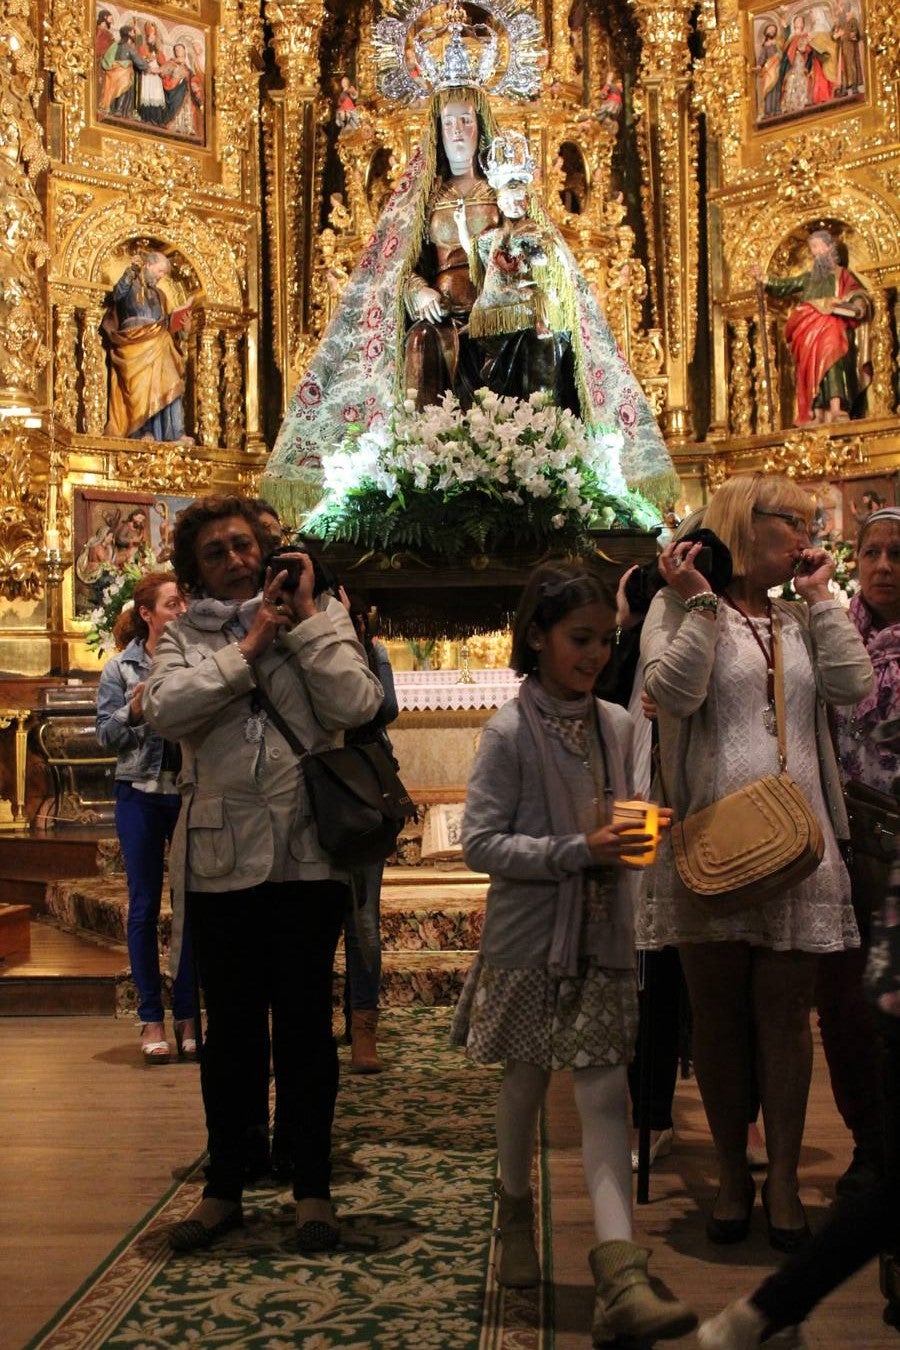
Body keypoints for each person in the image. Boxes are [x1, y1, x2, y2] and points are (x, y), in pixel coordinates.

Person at [452, 561, 697, 1345]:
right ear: (537, 638)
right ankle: (514, 1213)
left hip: (602, 935)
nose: (594, 655)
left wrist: (644, 831)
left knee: (603, 1097)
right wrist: (575, 848)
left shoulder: (618, 724)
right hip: (528, 939)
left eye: (605, 641)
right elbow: (482, 845)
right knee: (524, 1085)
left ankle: (620, 1274)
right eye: (579, 639)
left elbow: (626, 835)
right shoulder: (506, 731)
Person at [637, 473, 872, 1253]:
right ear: (747, 523)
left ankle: (779, 1182)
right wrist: (702, 605)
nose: (808, 537)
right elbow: (670, 694)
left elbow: (852, 686)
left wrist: (826, 599)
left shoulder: (803, 614)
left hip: (801, 840)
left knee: (784, 1017)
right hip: (714, 836)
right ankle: (733, 1172)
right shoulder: (678, 604)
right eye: (794, 523)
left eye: (811, 524)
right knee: (720, 1018)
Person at [143, 495, 383, 1252]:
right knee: (233, 1034)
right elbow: (164, 710)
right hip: (219, 862)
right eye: (215, 553)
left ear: (267, 548)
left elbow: (357, 701)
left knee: (308, 1030)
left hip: (305, 855)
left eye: (243, 545)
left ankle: (312, 1187)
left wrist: (307, 620)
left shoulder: (322, 614)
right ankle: (226, 1186)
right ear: (196, 570)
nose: (234, 560)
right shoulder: (183, 636)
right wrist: (247, 648)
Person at [263, 85, 677, 514]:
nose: (458, 131)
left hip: (501, 310)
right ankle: (423, 462)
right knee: (422, 342)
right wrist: (416, 290)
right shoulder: (425, 198)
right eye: (449, 123)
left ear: (480, 127)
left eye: (466, 121)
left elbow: (535, 251)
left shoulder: (503, 191)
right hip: (442, 314)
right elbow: (401, 266)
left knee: (541, 342)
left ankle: (535, 453)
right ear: (437, 132)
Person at [821, 506, 900, 1194]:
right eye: (871, 552)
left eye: (897, 554)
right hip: (847, 844)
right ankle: (869, 1144)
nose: (882, 566)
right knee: (847, 1008)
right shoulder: (831, 636)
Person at [96, 570, 195, 1064]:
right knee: (143, 907)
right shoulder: (120, 668)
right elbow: (104, 737)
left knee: (191, 907)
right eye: (173, 604)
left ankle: (189, 1015)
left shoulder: (195, 662)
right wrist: (134, 713)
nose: (181, 611)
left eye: (184, 603)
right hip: (139, 793)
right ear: (148, 614)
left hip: (190, 794)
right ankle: (152, 1016)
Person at [453, 131, 574, 407]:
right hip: (493, 315)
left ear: (527, 201)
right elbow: (473, 251)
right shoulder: (495, 236)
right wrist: (461, 223)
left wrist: (539, 260)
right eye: (508, 200)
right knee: (466, 352)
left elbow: (552, 270)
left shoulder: (535, 233)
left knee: (535, 348)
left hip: (526, 313)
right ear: (499, 202)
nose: (513, 205)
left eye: (519, 200)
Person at [341, 593, 399, 1073]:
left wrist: (366, 653)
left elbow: (386, 708)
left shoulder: (370, 649)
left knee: (362, 918)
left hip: (362, 789)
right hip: (316, 783)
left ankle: (364, 1026)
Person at [752, 229, 871, 427]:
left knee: (833, 357)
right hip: (806, 329)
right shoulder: (808, 278)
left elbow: (857, 292)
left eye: (817, 247)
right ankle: (816, 413)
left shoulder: (842, 274)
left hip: (832, 324)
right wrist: (764, 279)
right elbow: (785, 285)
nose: (814, 253)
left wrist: (858, 304)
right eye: (811, 249)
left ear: (829, 248)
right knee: (810, 368)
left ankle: (836, 407)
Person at [102, 251, 193, 442]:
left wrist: (183, 327)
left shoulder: (160, 294)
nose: (161, 277)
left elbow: (167, 325)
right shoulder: (130, 284)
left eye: (164, 274)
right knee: (140, 387)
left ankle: (175, 432)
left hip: (161, 343)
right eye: (159, 271)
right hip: (134, 342)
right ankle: (142, 430)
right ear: (148, 266)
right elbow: (116, 295)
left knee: (172, 382)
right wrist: (130, 272)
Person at [756, 22, 783, 118]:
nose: (772, 31)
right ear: (766, 31)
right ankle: (768, 111)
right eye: (770, 29)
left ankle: (777, 109)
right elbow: (762, 57)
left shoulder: (778, 43)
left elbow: (782, 53)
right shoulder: (765, 46)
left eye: (773, 30)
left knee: (777, 89)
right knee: (768, 89)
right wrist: (759, 65)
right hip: (769, 69)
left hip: (777, 68)